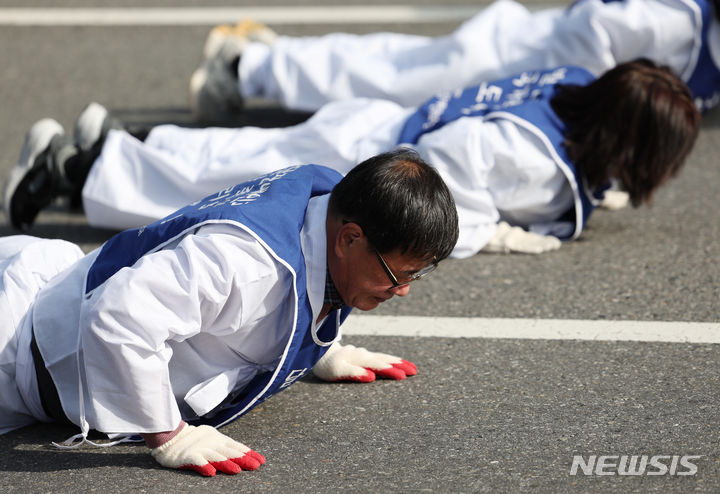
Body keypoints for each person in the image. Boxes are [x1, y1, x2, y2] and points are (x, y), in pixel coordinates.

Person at [0, 149, 460, 477]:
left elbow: (303, 277)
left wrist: (317, 344)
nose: (401, 290)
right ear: (350, 239)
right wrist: (169, 435)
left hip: (57, 286)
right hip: (15, 349)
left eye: (414, 276)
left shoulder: (328, 202)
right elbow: (119, 318)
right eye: (396, 274)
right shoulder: (246, 264)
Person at [3, 59, 701, 258]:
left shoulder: (571, 86)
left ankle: (104, 151)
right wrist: (497, 233)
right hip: (373, 154)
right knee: (231, 190)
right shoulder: (538, 160)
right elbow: (451, 168)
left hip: (376, 127)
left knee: (234, 158)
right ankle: (75, 171)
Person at [189, 0, 720, 124]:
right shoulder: (682, 20)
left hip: (535, 85)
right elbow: (594, 25)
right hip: (509, 61)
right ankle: (245, 64)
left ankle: (265, 58)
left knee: (390, 82)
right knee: (391, 76)